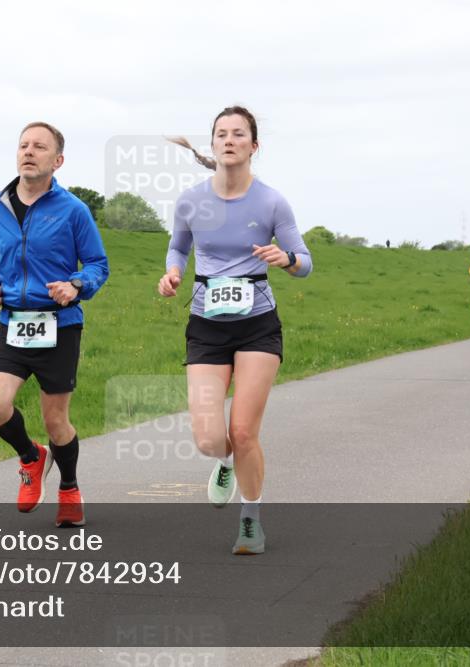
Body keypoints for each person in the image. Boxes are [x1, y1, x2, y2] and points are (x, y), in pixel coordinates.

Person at [158, 106, 313, 555]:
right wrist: (172, 274)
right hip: (206, 326)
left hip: (257, 326)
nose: (229, 140)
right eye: (221, 134)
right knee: (210, 439)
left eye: (238, 134)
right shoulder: (191, 200)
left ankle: (251, 520)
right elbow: (178, 246)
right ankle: (224, 462)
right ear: (213, 145)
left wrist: (285, 259)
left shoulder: (271, 202)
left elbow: (305, 261)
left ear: (253, 146)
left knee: (244, 431)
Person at [0, 121, 109, 527]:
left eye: (39, 146)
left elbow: (98, 265)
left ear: (58, 160)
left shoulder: (73, 210)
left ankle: (68, 486)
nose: (28, 152)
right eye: (23, 145)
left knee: (56, 421)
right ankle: (31, 458)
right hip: (13, 322)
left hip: (59, 326)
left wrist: (76, 285)